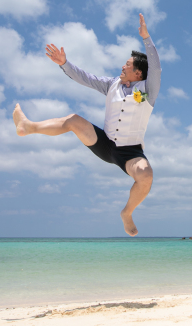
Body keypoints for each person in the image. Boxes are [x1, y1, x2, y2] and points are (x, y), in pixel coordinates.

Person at [14, 14, 160, 236]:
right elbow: (85, 77)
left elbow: (156, 69)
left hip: (130, 153)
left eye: (127, 65)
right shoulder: (111, 84)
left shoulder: (148, 91)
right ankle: (28, 126)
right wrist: (64, 63)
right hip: (105, 143)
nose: (123, 66)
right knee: (73, 120)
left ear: (138, 73)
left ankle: (127, 213)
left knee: (146, 174)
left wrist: (147, 38)